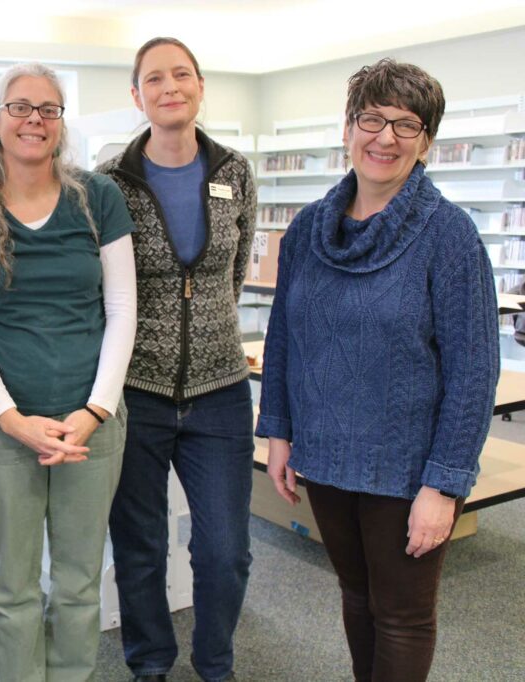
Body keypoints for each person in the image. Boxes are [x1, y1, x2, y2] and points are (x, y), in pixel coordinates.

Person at [257, 58, 499, 682]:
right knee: (358, 597)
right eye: (372, 118)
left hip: (407, 469)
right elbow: (284, 333)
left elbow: (474, 374)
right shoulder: (311, 226)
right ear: (348, 127)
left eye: (406, 124)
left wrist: (444, 486)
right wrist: (278, 431)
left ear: (426, 142)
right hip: (327, 456)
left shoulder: (449, 237)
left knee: (402, 615)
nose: (385, 137)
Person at [0, 63, 136, 680]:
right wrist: (11, 418)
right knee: (12, 586)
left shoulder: (98, 197)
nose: (34, 120)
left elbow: (122, 308)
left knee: (79, 585)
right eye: (20, 108)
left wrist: (94, 410)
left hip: (91, 425)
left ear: (60, 124)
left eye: (48, 110)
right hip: (4, 428)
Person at [95, 37, 256, 682]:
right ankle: (150, 665)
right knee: (140, 549)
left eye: (181, 75)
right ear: (137, 96)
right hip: (135, 392)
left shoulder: (234, 172)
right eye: (154, 78)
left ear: (199, 86)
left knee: (226, 551)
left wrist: (210, 331)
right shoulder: (110, 185)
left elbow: (234, 271)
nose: (169, 87)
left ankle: (215, 663)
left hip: (220, 392)